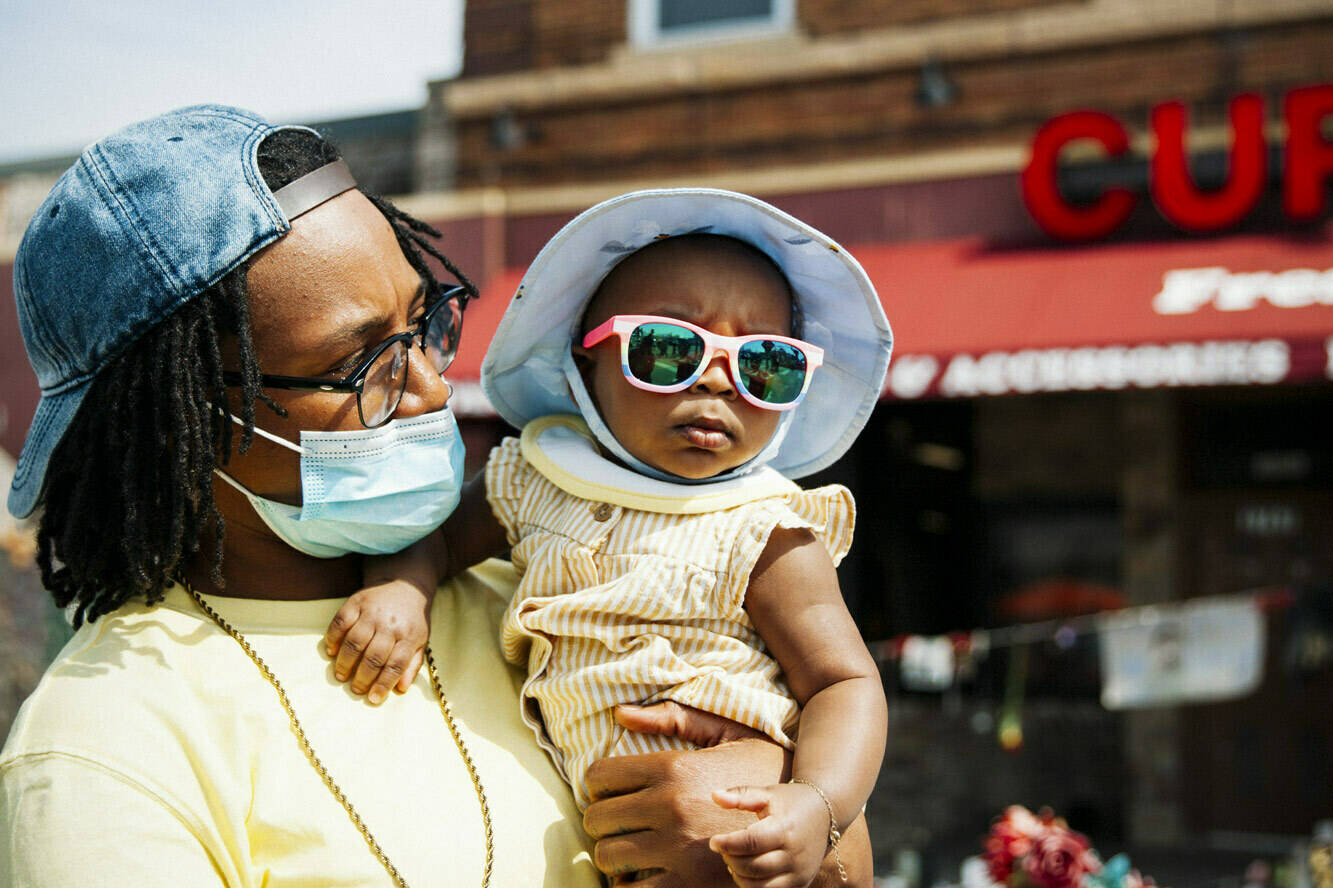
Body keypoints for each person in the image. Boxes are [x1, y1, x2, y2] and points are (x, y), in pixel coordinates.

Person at [0, 106, 849, 887]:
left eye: (422, 322)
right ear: (174, 423)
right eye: (358, 365)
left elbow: (839, 836)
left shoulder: (540, 596)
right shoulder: (110, 746)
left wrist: (776, 822)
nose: (434, 389)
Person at [324, 190, 895, 887]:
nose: (717, 380)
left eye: (763, 364)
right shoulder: (536, 478)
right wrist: (401, 590)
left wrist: (816, 806)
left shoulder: (764, 526)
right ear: (584, 360)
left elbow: (843, 682)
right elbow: (434, 541)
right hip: (600, 837)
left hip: (736, 832)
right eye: (667, 349)